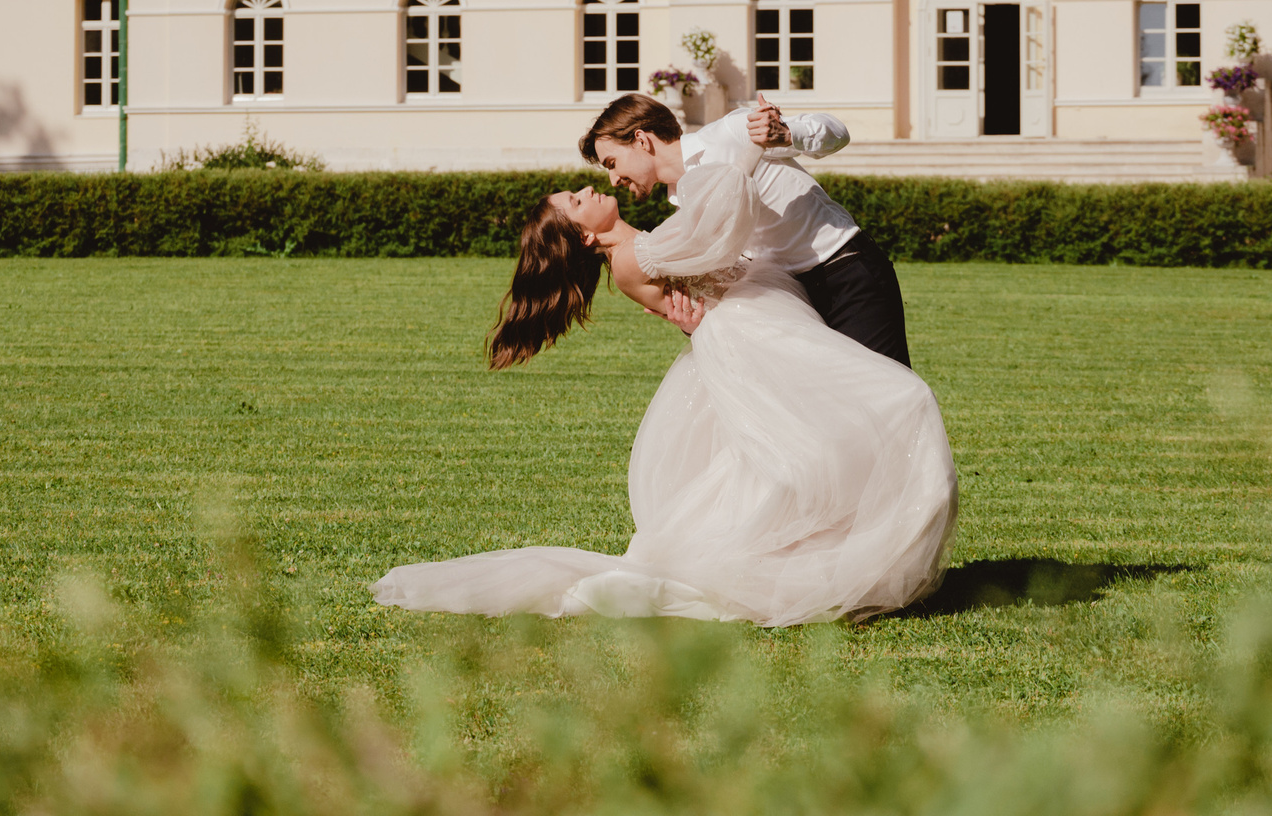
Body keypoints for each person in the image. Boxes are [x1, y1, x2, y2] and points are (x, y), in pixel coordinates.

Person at [371, 123, 957, 625]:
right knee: (890, 404)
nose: (590, 187)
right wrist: (742, 145)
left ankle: (856, 558)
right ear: (582, 233)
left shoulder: (647, 243)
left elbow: (719, 247)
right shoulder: (632, 258)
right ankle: (846, 566)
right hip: (756, 340)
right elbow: (722, 210)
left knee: (830, 441)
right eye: (577, 198)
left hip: (769, 326)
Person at [581, 92, 913, 367]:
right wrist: (690, 321)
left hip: (847, 275)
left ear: (640, 140)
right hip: (791, 304)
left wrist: (786, 135)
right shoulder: (681, 206)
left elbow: (836, 132)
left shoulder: (730, 132)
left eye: (612, 163)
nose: (613, 180)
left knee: (887, 396)